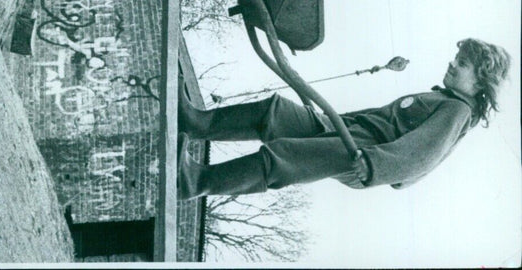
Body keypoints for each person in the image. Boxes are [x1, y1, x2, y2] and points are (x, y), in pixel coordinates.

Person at [177, 38, 511, 199]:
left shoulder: (457, 111)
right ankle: (196, 123)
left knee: (285, 159)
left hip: (363, 153)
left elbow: (421, 156)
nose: (452, 64)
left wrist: (375, 166)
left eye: (462, 64)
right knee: (274, 112)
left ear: (480, 82)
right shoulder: (442, 97)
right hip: (345, 130)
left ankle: (196, 182)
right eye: (456, 58)